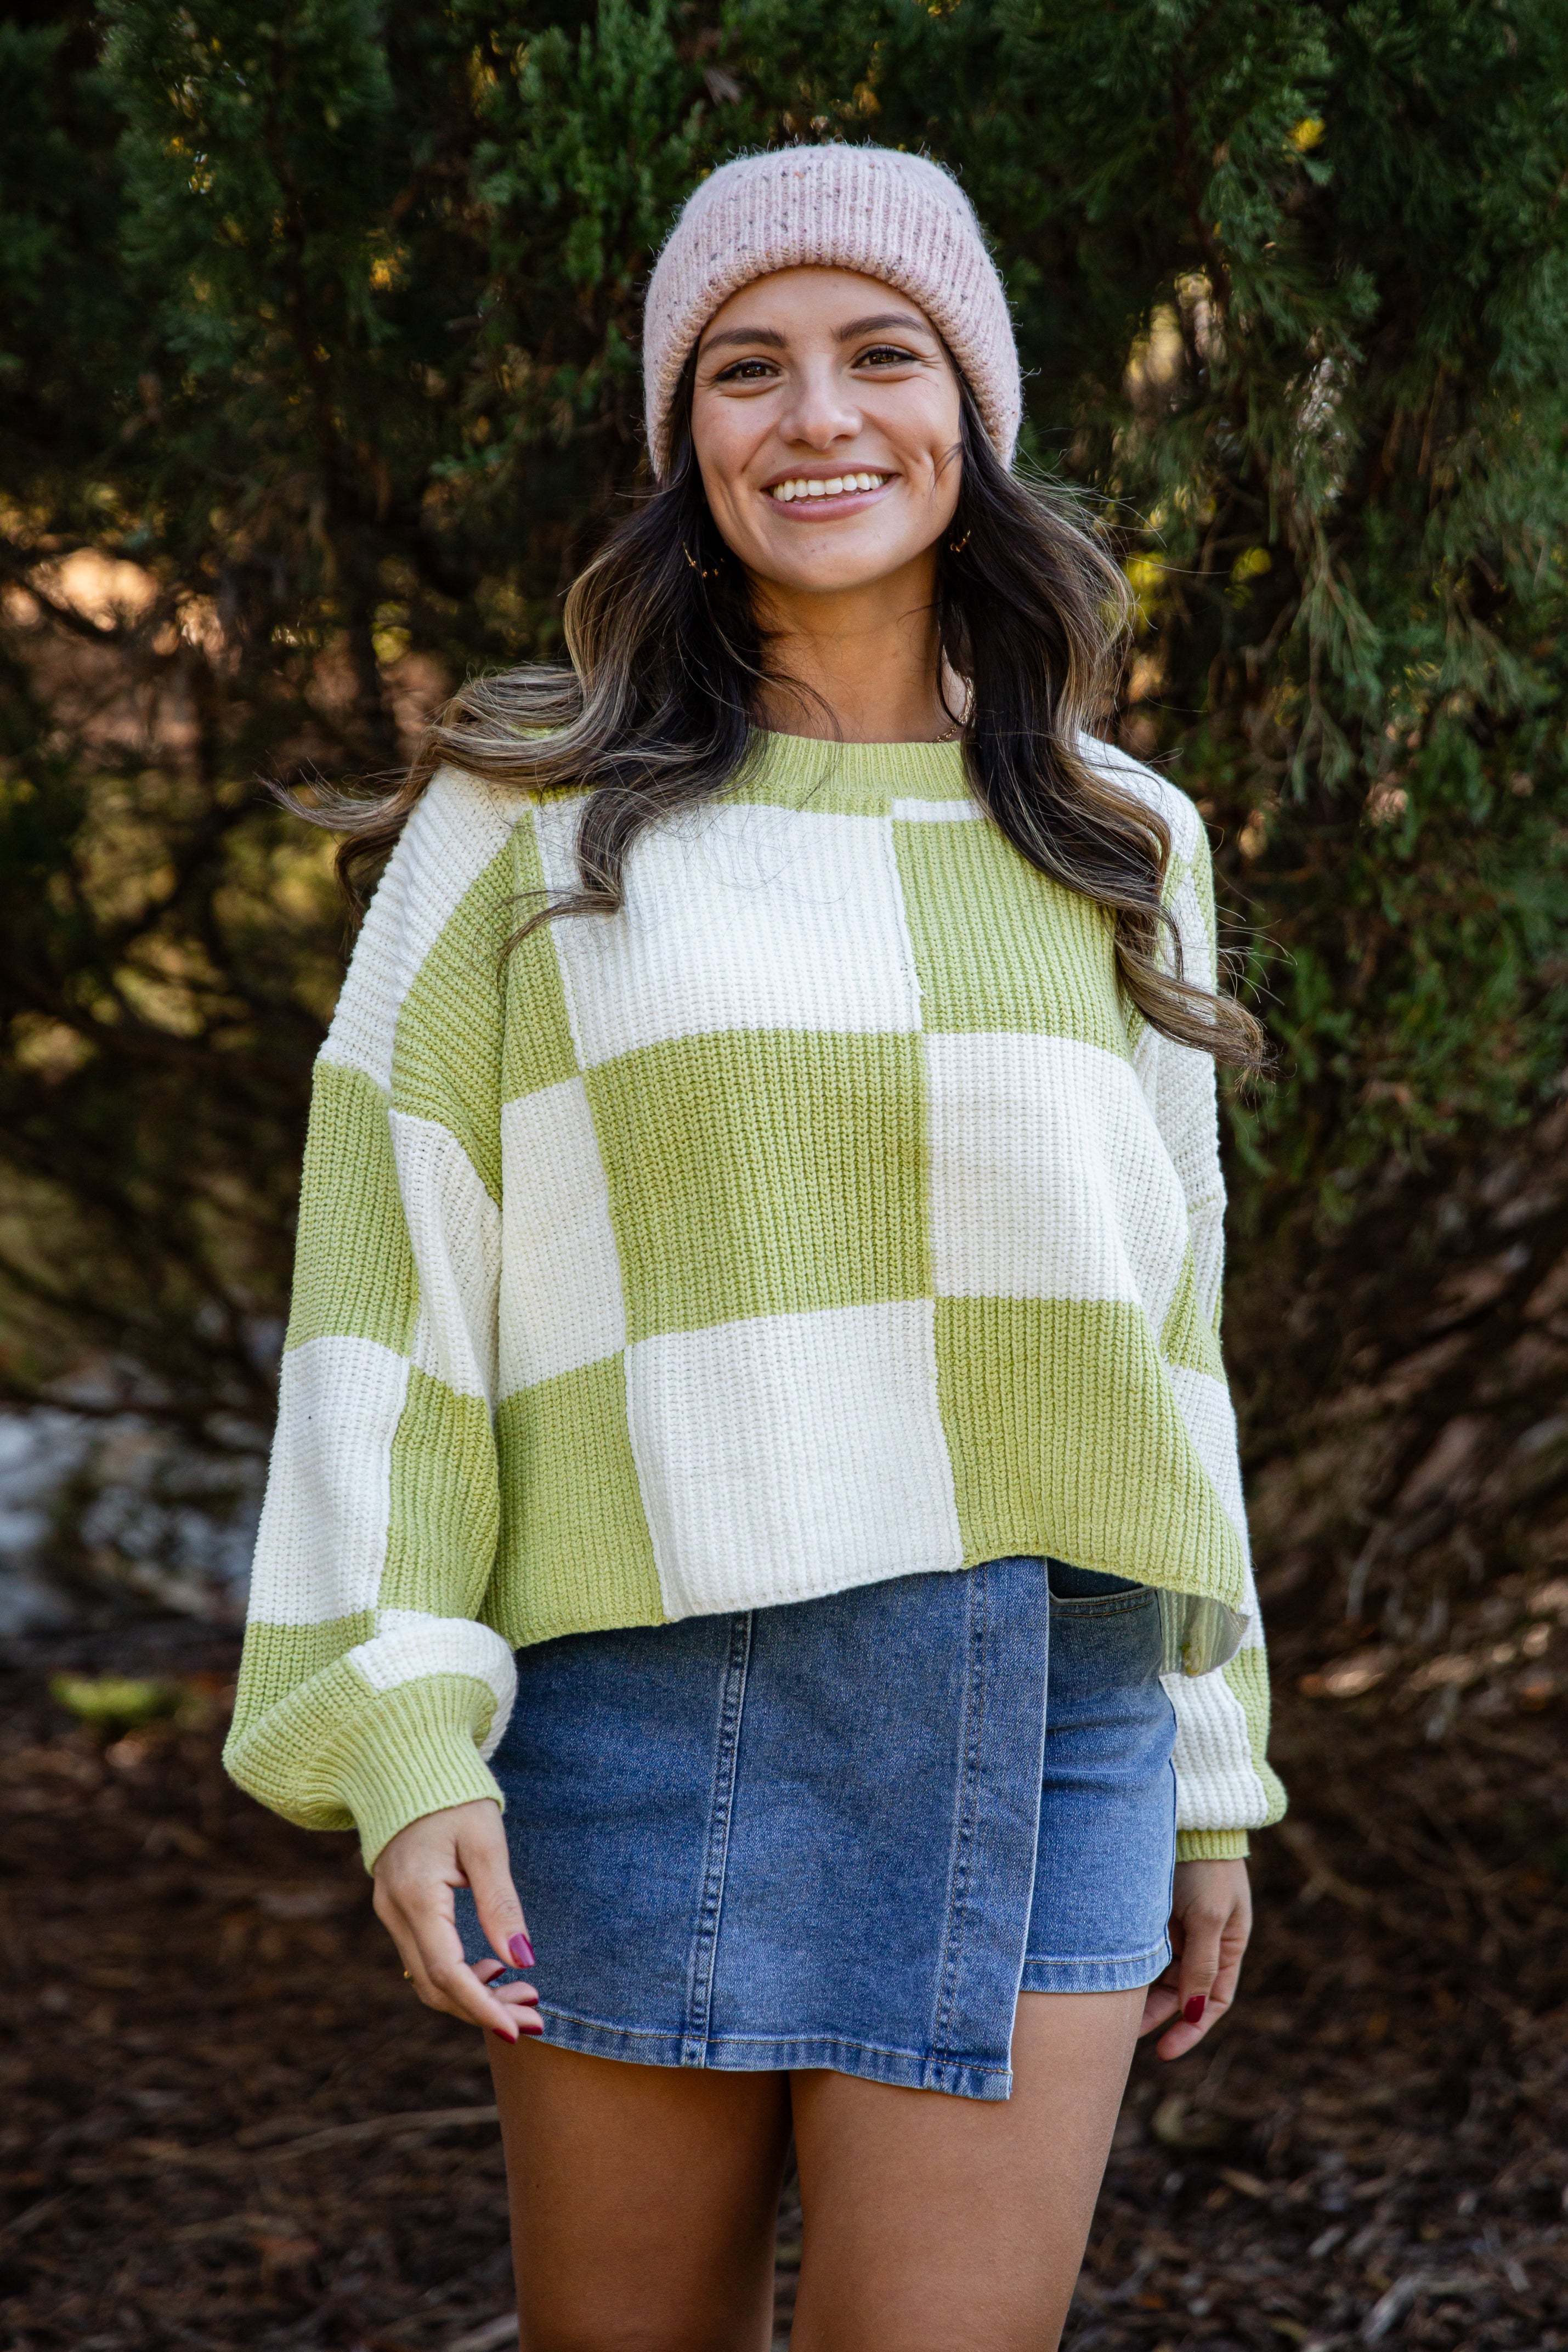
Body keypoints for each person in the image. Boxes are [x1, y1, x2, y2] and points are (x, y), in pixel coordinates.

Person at [225, 144, 1286, 2351]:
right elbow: (389, 1289)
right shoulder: (525, 811)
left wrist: (1210, 1772)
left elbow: (1164, 1347)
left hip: (1053, 1701)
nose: (815, 416)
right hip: (642, 1702)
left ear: (967, 410)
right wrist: (403, 1728)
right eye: (746, 368)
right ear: (680, 437)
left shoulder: (1121, 834)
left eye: (878, 353)